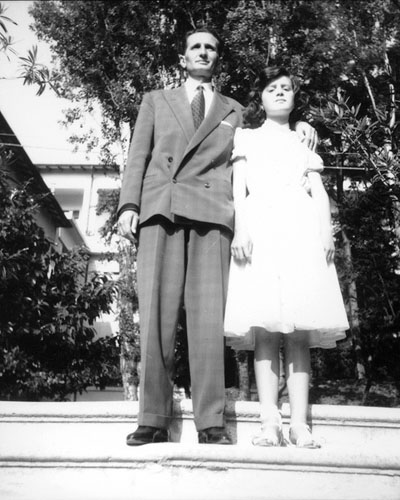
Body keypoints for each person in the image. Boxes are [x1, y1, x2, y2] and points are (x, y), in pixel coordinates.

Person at [117, 29, 317, 446]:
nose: (203, 52)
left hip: (211, 215)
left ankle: (211, 421)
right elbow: (138, 156)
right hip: (161, 208)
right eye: (196, 47)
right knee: (155, 317)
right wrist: (128, 205)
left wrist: (301, 124)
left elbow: (268, 134)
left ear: (217, 58)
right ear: (183, 57)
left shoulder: (235, 110)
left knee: (208, 322)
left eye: (210, 47)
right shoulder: (155, 100)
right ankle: (152, 418)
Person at [224, 67, 350, 448]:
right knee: (265, 329)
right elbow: (238, 189)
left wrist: (326, 231)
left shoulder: (303, 139)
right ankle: (269, 423)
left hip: (300, 232)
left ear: (295, 98)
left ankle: (298, 424)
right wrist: (241, 230)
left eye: (286, 88)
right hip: (260, 233)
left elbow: (318, 190)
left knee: (297, 332)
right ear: (260, 98)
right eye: (271, 88)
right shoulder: (246, 137)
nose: (279, 93)